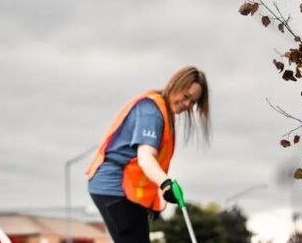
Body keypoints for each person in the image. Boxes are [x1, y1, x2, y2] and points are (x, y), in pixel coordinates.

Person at [85, 66, 211, 242]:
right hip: (114, 187)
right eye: (186, 97)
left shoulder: (165, 113)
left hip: (124, 189)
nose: (188, 105)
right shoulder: (152, 113)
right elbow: (145, 157)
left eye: (193, 102)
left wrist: (151, 199)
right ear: (175, 85)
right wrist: (165, 184)